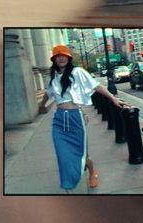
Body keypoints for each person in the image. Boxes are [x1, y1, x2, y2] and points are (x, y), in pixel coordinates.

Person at [39, 45, 125, 193]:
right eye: (58, 56)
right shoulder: (52, 76)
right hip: (59, 120)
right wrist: (41, 105)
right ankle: (68, 187)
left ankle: (92, 172)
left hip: (75, 118)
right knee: (63, 156)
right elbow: (48, 92)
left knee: (82, 155)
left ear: (68, 58)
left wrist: (113, 98)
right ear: (54, 59)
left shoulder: (77, 72)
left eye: (64, 55)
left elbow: (96, 86)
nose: (61, 58)